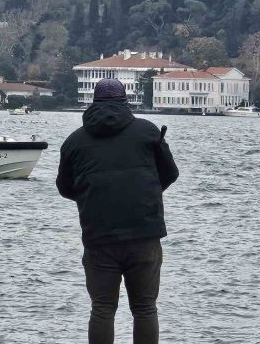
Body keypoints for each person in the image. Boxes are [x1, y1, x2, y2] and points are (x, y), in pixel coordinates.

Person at [56, 78, 179, 344]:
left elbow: (65, 188)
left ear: (94, 103)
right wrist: (146, 194)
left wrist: (92, 198)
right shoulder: (148, 132)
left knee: (102, 308)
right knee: (145, 308)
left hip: (98, 236)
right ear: (125, 101)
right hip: (144, 234)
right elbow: (170, 173)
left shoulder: (74, 142)